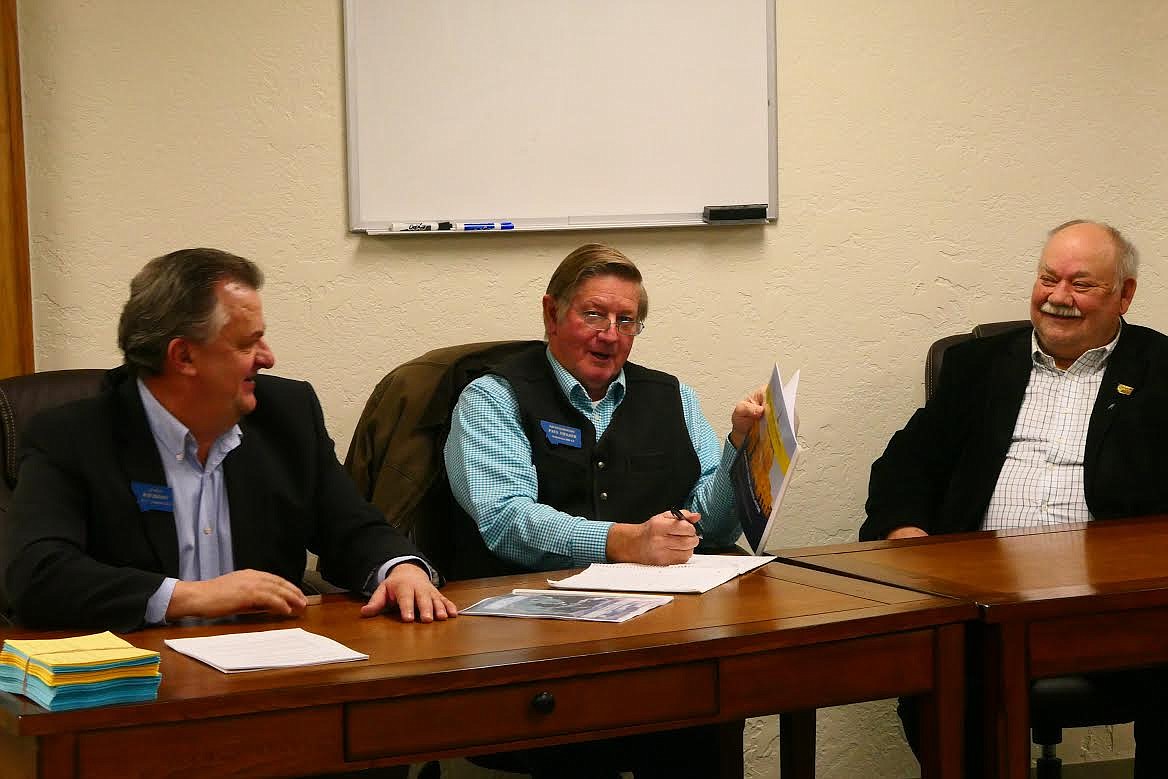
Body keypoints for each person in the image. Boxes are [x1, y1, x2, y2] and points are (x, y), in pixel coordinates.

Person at [4, 248, 457, 632]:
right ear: (183, 355)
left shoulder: (287, 414)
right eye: (247, 344)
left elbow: (350, 527)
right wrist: (189, 597)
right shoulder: (71, 436)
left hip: (267, 672)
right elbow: (37, 575)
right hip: (138, 680)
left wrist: (400, 568)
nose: (268, 357)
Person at [443, 242, 763, 778]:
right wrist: (625, 541)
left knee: (713, 710)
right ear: (552, 312)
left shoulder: (672, 396)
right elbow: (505, 519)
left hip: (660, 634)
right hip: (538, 642)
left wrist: (739, 449)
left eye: (626, 321)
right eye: (593, 314)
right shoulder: (494, 397)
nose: (610, 335)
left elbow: (713, 524)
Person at [861, 220, 1168, 775]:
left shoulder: (1160, 372)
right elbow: (904, 467)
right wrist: (907, 535)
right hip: (982, 604)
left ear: (1124, 295)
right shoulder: (975, 367)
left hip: (1116, 610)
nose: (1058, 298)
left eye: (1081, 284)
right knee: (940, 681)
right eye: (1048, 278)